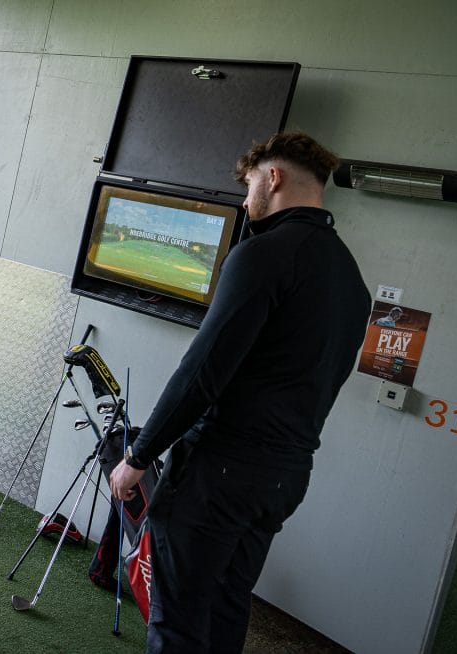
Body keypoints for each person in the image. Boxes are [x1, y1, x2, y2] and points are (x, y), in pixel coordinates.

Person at [109, 132, 371, 653]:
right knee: (227, 607)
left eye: (249, 183)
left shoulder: (263, 254)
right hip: (285, 477)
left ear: (272, 177)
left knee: (178, 621)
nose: (246, 197)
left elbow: (203, 371)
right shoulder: (349, 275)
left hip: (220, 475)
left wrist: (139, 454)